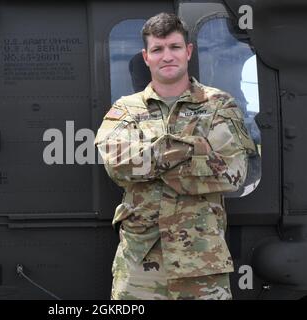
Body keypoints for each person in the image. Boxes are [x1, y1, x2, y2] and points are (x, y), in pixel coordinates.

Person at [95, 12, 256, 300]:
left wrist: (151, 160)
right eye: (158, 49)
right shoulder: (126, 110)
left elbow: (233, 173)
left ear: (188, 52)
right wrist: (194, 149)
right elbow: (117, 166)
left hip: (202, 261)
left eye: (174, 47)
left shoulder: (219, 105)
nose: (166, 56)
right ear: (146, 57)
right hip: (140, 263)